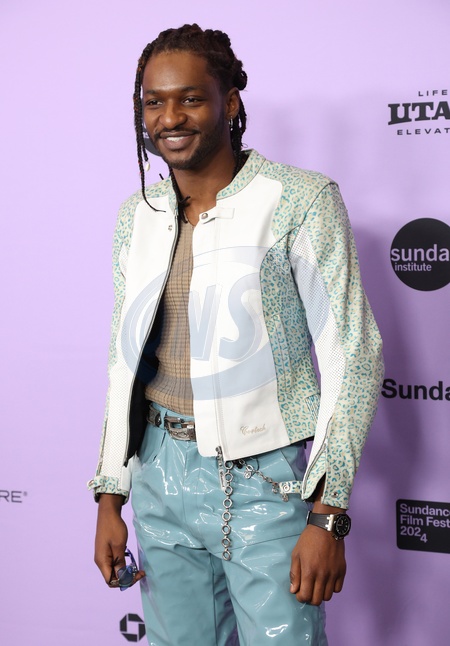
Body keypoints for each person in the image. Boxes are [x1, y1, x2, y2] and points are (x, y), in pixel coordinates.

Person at [89, 23, 383, 646]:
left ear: (230, 102)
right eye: (153, 101)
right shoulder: (137, 215)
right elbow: (123, 361)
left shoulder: (300, 199)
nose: (170, 117)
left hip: (263, 481)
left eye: (190, 98)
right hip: (157, 473)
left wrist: (328, 515)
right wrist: (111, 495)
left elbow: (353, 356)